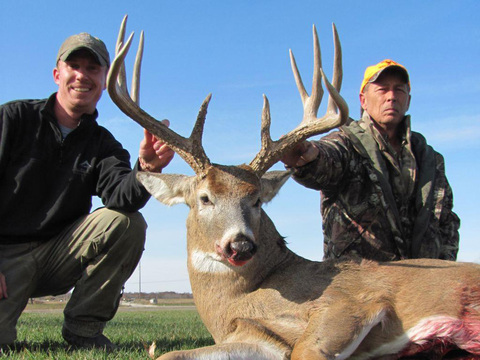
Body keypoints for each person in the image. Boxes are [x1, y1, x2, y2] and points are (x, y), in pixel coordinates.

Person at [0, 32, 174, 351]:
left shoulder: (103, 144)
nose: (82, 74)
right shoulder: (13, 118)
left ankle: (83, 330)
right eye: (74, 65)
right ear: (58, 74)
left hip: (59, 254)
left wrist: (147, 169)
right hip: (5, 255)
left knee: (128, 223)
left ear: (104, 81)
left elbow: (123, 198)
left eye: (93, 68)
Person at [282, 59, 460, 262]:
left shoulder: (430, 159)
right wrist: (307, 158)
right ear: (363, 100)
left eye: (399, 90)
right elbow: (327, 160)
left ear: (408, 100)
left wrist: (445, 268)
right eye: (382, 90)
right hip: (359, 287)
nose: (391, 97)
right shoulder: (347, 143)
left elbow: (447, 221)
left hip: (422, 286)